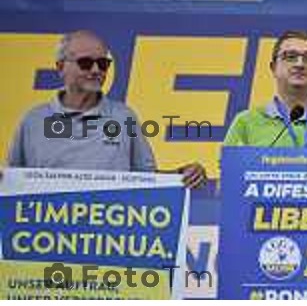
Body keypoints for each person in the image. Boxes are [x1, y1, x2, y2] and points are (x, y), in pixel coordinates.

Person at [6, 30, 206, 188]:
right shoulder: (33, 120)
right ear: (60, 67)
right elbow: (11, 183)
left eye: (103, 63)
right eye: (85, 63)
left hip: (106, 239)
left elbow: (148, 181)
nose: (96, 70)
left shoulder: (124, 117)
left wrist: (183, 175)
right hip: (48, 237)